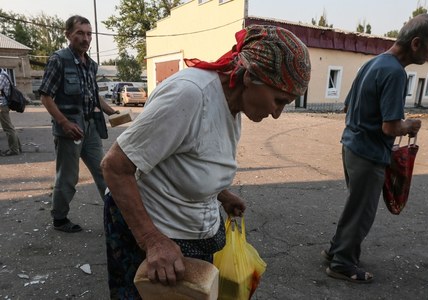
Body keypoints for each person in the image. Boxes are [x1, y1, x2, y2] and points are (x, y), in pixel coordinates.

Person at [100, 24, 311, 298]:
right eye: (278, 100)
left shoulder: (232, 102)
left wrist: (220, 193)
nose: (277, 114)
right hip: (155, 230)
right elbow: (115, 166)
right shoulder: (190, 95)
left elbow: (186, 157)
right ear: (249, 77)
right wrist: (152, 241)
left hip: (190, 230)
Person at [323, 14, 428, 283]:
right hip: (368, 154)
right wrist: (410, 125)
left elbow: (347, 106)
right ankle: (342, 264)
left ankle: (335, 251)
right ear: (415, 43)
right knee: (361, 214)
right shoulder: (395, 73)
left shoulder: (373, 63)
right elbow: (390, 128)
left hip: (351, 147)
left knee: (354, 208)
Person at [39, 15, 119, 233]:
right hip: (69, 130)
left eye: (89, 33)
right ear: (68, 35)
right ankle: (60, 219)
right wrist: (64, 123)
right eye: (80, 33)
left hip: (90, 127)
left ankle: (117, 215)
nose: (86, 38)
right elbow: (45, 97)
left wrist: (112, 111)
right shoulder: (59, 60)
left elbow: (94, 95)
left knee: (105, 170)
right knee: (68, 177)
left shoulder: (90, 65)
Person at [0, 68, 22, 156]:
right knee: (9, 127)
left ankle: (14, 150)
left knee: (8, 128)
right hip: (3, 104)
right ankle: (17, 147)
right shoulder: (4, 73)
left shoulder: (1, 76)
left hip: (2, 105)